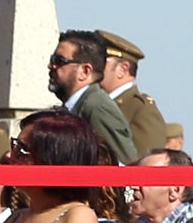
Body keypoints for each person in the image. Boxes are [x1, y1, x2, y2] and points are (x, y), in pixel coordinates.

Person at [49, 34, 137, 166]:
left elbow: (123, 164)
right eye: (52, 59)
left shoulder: (96, 107)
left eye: (59, 60)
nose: (51, 66)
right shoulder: (75, 105)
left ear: (85, 71)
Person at [91, 33, 176, 160]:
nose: (94, 66)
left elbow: (147, 164)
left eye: (101, 61)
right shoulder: (97, 103)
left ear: (123, 69)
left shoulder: (142, 109)